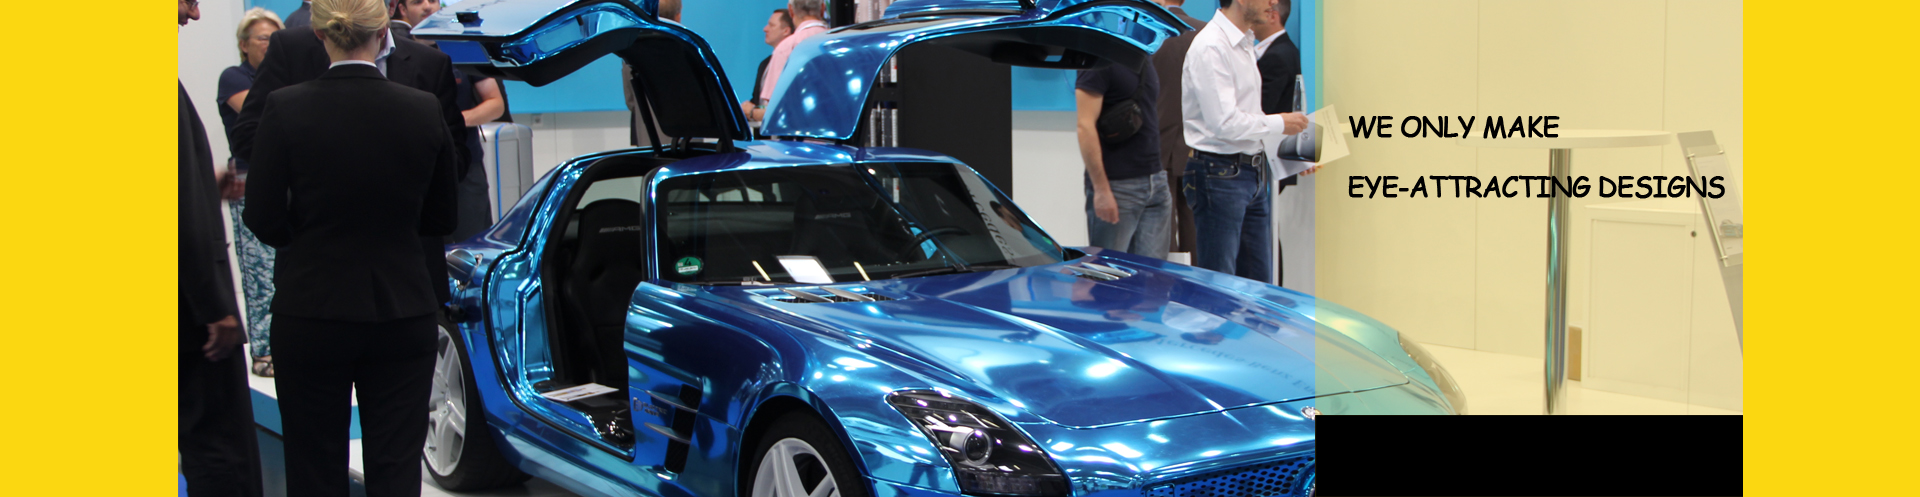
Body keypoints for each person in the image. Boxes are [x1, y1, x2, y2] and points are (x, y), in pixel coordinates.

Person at [242, 0, 459, 496]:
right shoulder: (422, 107)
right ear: (384, 32)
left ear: (319, 35)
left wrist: (306, 241)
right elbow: (442, 218)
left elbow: (262, 215)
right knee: (396, 465)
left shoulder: (285, 106)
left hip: (311, 308)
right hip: (402, 309)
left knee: (313, 463)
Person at [228, 0, 467, 311]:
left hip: (406, 276)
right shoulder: (292, 49)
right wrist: (305, 219)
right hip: (315, 274)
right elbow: (249, 136)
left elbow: (454, 160)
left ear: (391, 9)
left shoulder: (430, 63)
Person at [179, 1, 264, 496]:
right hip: (191, 317)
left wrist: (203, 184)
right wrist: (215, 307)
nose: (193, 14)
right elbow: (178, 213)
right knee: (220, 453)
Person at [1180, 0, 1307, 284]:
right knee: (1221, 282)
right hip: (1219, 173)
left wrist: (1298, 151)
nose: (1274, 2)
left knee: (1257, 282)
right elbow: (1224, 123)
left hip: (1250, 172)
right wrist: (1280, 123)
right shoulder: (1212, 46)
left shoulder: (1245, 43)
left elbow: (1250, 118)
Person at [397, 0, 508, 240]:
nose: (428, 7)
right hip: (413, 168)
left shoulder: (462, 47)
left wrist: (452, 121)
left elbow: (495, 104)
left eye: (433, 0)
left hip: (465, 167)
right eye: (418, 2)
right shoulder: (395, 54)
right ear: (403, 10)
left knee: (472, 245)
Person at [216, 7, 284, 378]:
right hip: (248, 183)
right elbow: (266, 118)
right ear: (244, 45)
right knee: (259, 273)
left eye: (277, 38)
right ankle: (263, 350)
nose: (271, 45)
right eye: (263, 38)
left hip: (285, 181)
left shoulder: (284, 78)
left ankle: (286, 345)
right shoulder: (234, 77)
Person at [1075, 56, 1171, 259]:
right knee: (1109, 269)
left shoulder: (1142, 57)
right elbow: (1085, 126)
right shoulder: (1097, 61)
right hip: (1117, 186)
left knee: (1153, 273)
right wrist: (1101, 189)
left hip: (1156, 180)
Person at [1252, 0, 1305, 286]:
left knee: (1264, 232)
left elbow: (1264, 110)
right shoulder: (1279, 51)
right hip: (1271, 158)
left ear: (1272, 14)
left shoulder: (1277, 56)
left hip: (1267, 158)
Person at [1152, 0, 1204, 258]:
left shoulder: (1150, 34)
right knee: (1195, 225)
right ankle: (1198, 279)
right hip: (1198, 144)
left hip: (1157, 141)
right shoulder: (1206, 33)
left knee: (1162, 228)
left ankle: (1168, 279)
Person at [758, 0, 830, 113]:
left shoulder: (786, 48)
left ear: (791, 10)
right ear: (822, 8)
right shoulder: (843, 43)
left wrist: (752, 112)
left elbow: (774, 107)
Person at [625, 0, 681, 145]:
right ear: (678, 17)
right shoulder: (689, 49)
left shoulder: (631, 51)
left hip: (648, 138)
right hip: (686, 142)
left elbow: (631, 101)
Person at [741, 8, 794, 124]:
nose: (765, 29)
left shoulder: (793, 63)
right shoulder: (764, 64)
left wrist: (753, 112)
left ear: (786, 31)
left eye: (771, 25)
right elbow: (757, 101)